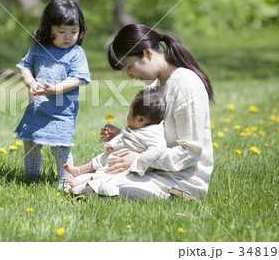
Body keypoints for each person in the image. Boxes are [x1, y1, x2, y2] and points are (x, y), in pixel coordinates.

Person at [79, 23, 215, 199]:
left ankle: (172, 197)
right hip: (154, 170)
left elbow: (190, 152)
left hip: (182, 180)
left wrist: (139, 159)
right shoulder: (156, 87)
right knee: (83, 182)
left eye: (129, 67)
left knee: (95, 190)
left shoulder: (186, 84)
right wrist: (125, 137)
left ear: (148, 53)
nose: (130, 76)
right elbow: (155, 135)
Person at [14, 0, 91, 188]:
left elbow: (78, 78)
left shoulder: (76, 53)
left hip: (62, 112)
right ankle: (31, 177)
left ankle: (65, 181)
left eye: (74, 32)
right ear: (49, 29)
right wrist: (31, 82)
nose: (68, 37)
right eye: (62, 32)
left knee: (61, 147)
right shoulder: (38, 48)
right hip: (37, 109)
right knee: (31, 144)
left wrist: (55, 89)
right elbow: (25, 67)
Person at [64, 88, 167, 194]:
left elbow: (159, 148)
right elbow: (130, 137)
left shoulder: (153, 132)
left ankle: (85, 184)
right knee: (100, 158)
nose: (128, 114)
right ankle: (80, 170)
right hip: (118, 154)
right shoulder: (140, 125)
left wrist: (140, 160)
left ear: (141, 119)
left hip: (125, 165)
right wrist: (116, 137)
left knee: (108, 173)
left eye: (130, 111)